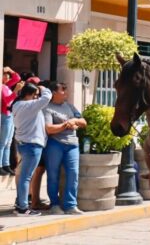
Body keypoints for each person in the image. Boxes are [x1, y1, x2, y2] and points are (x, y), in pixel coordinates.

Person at [43, 82, 86, 215]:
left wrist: (75, 121)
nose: (66, 92)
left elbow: (83, 122)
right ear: (54, 93)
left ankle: (70, 205)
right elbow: (49, 129)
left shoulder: (70, 106)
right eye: (63, 90)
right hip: (55, 144)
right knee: (53, 175)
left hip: (72, 144)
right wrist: (67, 124)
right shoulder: (47, 108)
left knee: (73, 174)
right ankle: (54, 204)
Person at [10, 83, 52, 216]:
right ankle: (23, 208)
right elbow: (47, 97)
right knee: (26, 177)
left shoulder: (17, 105)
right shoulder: (30, 105)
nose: (37, 97)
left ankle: (20, 205)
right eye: (36, 95)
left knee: (24, 176)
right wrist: (43, 88)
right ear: (32, 94)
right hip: (32, 146)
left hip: (24, 144)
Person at [1, 67, 23, 176]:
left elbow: (17, 77)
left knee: (8, 142)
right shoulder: (2, 87)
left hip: (10, 115)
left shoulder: (6, 86)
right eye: (4, 74)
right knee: (3, 142)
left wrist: (11, 70)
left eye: (7, 75)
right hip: (4, 115)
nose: (7, 76)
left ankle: (6, 164)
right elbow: (7, 101)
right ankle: (1, 165)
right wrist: (15, 91)